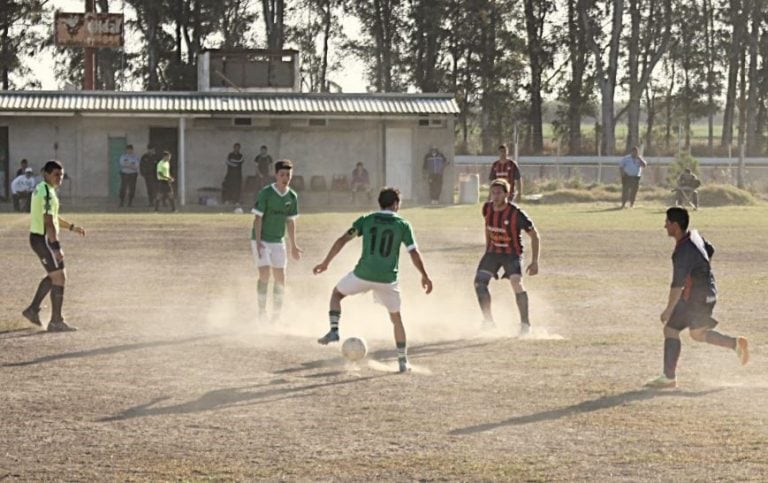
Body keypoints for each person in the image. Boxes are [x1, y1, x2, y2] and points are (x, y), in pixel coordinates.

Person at [313, 187, 433, 373]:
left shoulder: (366, 220)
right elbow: (414, 253)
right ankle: (403, 361)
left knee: (337, 294)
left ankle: (334, 330)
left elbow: (342, 240)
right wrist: (424, 275)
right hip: (387, 279)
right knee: (396, 320)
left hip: (363, 274)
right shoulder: (403, 224)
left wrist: (326, 262)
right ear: (395, 204)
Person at [645, 207, 749, 389]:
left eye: (667, 222)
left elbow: (677, 285)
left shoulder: (683, 252)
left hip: (696, 298)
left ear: (675, 226)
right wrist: (701, 270)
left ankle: (669, 378)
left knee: (671, 330)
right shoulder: (694, 235)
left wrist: (668, 309)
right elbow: (710, 249)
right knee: (697, 334)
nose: (665, 226)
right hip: (706, 293)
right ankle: (735, 344)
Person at [21, 160, 86, 332]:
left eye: (62, 175)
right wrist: (56, 247)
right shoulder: (47, 193)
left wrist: (72, 227)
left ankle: (33, 310)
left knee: (55, 276)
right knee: (60, 277)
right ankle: (55, 321)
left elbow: (54, 218)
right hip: (43, 239)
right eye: (56, 174)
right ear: (47, 174)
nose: (60, 178)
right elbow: (49, 222)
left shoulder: (44, 189)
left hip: (39, 238)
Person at [474, 178, 540, 334]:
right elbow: (488, 228)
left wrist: (535, 261)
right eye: (493, 193)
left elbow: (535, 235)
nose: (495, 196)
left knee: (516, 282)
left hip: (511, 254)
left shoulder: (516, 214)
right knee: (479, 283)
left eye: (498, 193)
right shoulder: (487, 208)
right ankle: (488, 322)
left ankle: (525, 325)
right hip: (493, 252)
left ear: (506, 194)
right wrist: (487, 248)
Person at [251, 159, 302, 321]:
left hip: (278, 241)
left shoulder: (292, 196)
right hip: (262, 240)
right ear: (276, 175)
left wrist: (293, 245)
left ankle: (276, 315)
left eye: (288, 175)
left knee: (280, 278)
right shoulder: (266, 193)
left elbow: (290, 221)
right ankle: (261, 312)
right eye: (282, 174)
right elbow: (257, 218)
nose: (285, 177)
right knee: (265, 274)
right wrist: (258, 241)